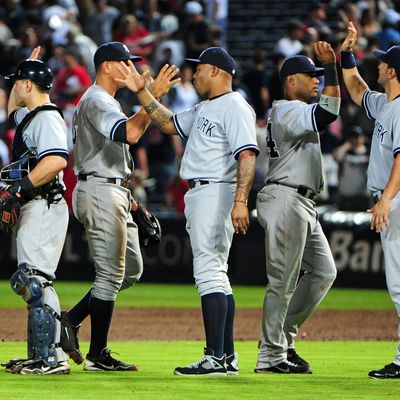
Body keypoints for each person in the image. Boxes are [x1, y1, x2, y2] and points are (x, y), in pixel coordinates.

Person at [121, 46, 259, 376]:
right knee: (218, 274)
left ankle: (215, 358)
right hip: (203, 192)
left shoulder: (235, 105)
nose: (194, 73)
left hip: (216, 191)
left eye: (200, 68)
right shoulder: (206, 107)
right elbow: (168, 124)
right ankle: (225, 357)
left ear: (218, 72)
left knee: (209, 272)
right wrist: (143, 93)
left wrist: (241, 200)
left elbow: (248, 155)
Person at [61, 41, 179, 371]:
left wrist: (132, 203)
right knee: (111, 274)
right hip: (99, 190)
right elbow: (130, 133)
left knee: (130, 270)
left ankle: (69, 319)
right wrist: (151, 97)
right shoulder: (98, 99)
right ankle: (97, 354)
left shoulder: (103, 100)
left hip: (112, 190)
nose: (131, 68)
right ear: (107, 66)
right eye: (125, 62)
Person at [255, 43, 340, 374]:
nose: (317, 81)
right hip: (287, 198)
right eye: (311, 75)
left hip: (300, 200)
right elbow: (329, 112)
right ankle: (270, 356)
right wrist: (331, 67)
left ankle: (281, 340)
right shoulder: (289, 109)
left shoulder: (289, 110)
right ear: (291, 81)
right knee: (283, 281)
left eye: (319, 76)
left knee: (323, 271)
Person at [1, 48, 70, 374]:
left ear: (29, 85)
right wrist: (24, 68)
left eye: (17, 82)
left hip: (45, 203)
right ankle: (47, 353)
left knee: (33, 280)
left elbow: (56, 160)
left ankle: (50, 357)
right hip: (37, 204)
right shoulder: (31, 115)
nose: (13, 86)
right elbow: (12, 109)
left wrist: (19, 187)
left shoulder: (46, 117)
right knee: (35, 279)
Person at [341, 22, 400, 379]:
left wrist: (385, 202)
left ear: (393, 71)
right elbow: (355, 87)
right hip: (392, 197)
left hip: (396, 198)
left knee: (399, 284)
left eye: (381, 62)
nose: (376, 66)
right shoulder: (383, 104)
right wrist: (347, 52)